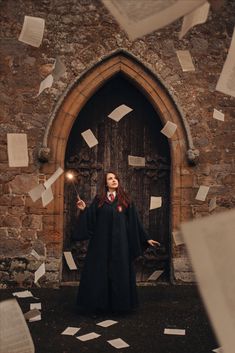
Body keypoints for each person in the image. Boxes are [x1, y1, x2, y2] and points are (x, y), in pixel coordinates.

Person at [74, 171, 160, 315]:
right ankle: (98, 307)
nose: (114, 180)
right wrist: (84, 210)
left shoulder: (125, 200)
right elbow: (91, 219)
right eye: (110, 178)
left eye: (115, 178)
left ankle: (118, 308)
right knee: (99, 274)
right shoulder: (99, 200)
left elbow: (135, 222)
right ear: (105, 183)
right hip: (101, 245)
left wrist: (146, 238)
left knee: (119, 273)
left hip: (120, 245)